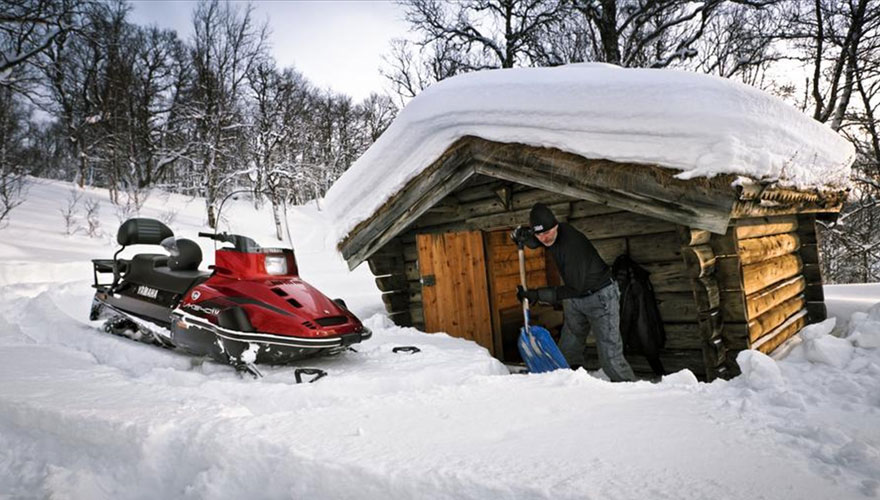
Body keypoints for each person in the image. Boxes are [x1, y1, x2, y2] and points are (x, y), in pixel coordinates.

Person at [515, 203, 636, 382]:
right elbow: (537, 240)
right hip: (575, 300)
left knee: (610, 356)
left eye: (547, 232)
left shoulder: (572, 246)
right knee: (568, 350)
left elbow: (574, 288)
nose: (544, 238)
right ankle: (573, 388)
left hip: (600, 298)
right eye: (539, 234)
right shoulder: (549, 235)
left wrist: (536, 295)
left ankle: (632, 393)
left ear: (556, 226)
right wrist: (522, 237)